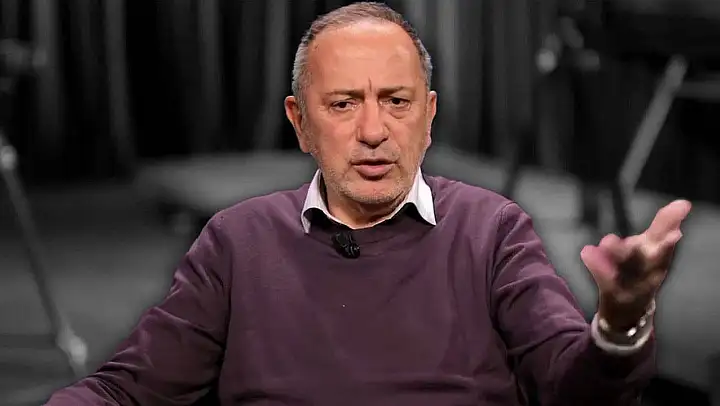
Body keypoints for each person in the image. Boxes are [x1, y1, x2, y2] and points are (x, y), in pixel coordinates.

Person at [45, 2, 692, 405]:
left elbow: (576, 389)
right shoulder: (237, 240)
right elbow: (127, 390)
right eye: (344, 104)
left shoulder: (492, 231)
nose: (374, 130)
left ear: (428, 118)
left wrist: (620, 323)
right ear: (299, 122)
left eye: (397, 101)